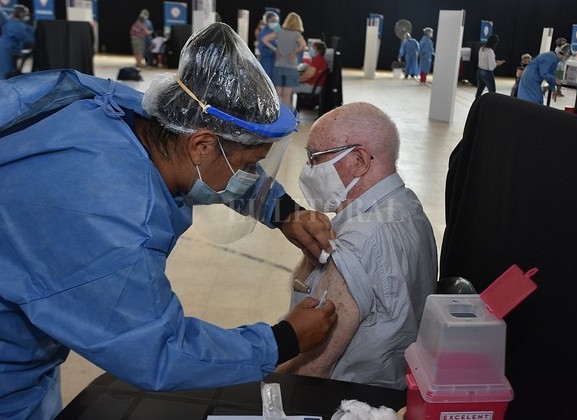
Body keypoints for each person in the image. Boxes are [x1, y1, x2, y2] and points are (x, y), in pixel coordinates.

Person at [0, 22, 338, 419]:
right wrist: (282, 341)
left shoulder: (131, 114)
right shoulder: (111, 221)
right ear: (200, 145)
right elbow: (157, 351)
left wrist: (283, 211)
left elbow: (221, 159)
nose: (248, 176)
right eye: (250, 165)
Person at [276, 102, 438, 390]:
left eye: (315, 158)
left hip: (340, 399)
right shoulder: (409, 206)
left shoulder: (358, 239)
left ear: (359, 161)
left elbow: (310, 369)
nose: (309, 169)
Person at [263, 12, 306, 106]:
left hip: (279, 65)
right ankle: (286, 114)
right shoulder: (297, 35)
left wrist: (275, 49)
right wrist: (295, 52)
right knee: (287, 95)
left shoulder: (280, 32)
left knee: (277, 94)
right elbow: (303, 45)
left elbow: (265, 39)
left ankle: (277, 112)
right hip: (291, 66)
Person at [0, 4, 34, 79]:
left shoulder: (17, 23)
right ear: (21, 14)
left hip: (10, 51)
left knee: (11, 74)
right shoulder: (14, 25)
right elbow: (26, 37)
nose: (26, 16)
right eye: (25, 14)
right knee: (4, 74)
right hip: (5, 51)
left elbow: (31, 30)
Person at [475, 34, 505, 99]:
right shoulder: (490, 51)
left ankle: (476, 103)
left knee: (479, 92)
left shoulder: (481, 48)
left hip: (479, 71)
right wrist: (498, 63)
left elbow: (484, 61)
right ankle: (492, 104)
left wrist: (494, 61)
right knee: (492, 92)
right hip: (487, 73)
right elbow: (491, 67)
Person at [256, 11, 279, 80]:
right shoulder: (263, 32)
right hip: (266, 59)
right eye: (272, 21)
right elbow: (261, 47)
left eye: (275, 21)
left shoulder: (273, 32)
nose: (274, 23)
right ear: (267, 21)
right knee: (266, 79)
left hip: (273, 60)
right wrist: (273, 49)